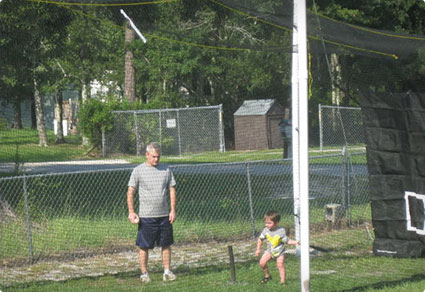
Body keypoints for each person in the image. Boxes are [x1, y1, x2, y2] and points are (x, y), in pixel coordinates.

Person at [127, 142, 177, 283]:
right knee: (144, 246)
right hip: (146, 217)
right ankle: (144, 273)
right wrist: (131, 212)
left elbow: (172, 189)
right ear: (147, 155)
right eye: (154, 157)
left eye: (158, 157)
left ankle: (167, 271)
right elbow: (130, 191)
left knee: (166, 244)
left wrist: (172, 210)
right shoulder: (138, 171)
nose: (156, 159)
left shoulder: (166, 170)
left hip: (164, 216)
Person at [255, 210, 300, 285]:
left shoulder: (281, 231)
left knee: (280, 265)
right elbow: (260, 239)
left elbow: (287, 241)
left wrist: (296, 242)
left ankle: (283, 282)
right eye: (266, 222)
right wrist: (258, 249)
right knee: (262, 263)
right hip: (270, 251)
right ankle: (267, 276)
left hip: (280, 252)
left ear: (276, 223)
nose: (267, 225)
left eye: (269, 223)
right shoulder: (265, 230)